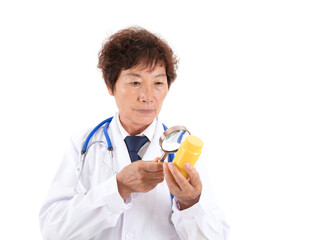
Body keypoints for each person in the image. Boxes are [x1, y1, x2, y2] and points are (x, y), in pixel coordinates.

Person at [39, 26, 229, 240]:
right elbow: (52, 231)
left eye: (158, 83)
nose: (148, 96)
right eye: (135, 82)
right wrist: (118, 187)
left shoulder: (183, 151)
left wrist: (190, 204)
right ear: (110, 86)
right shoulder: (82, 145)